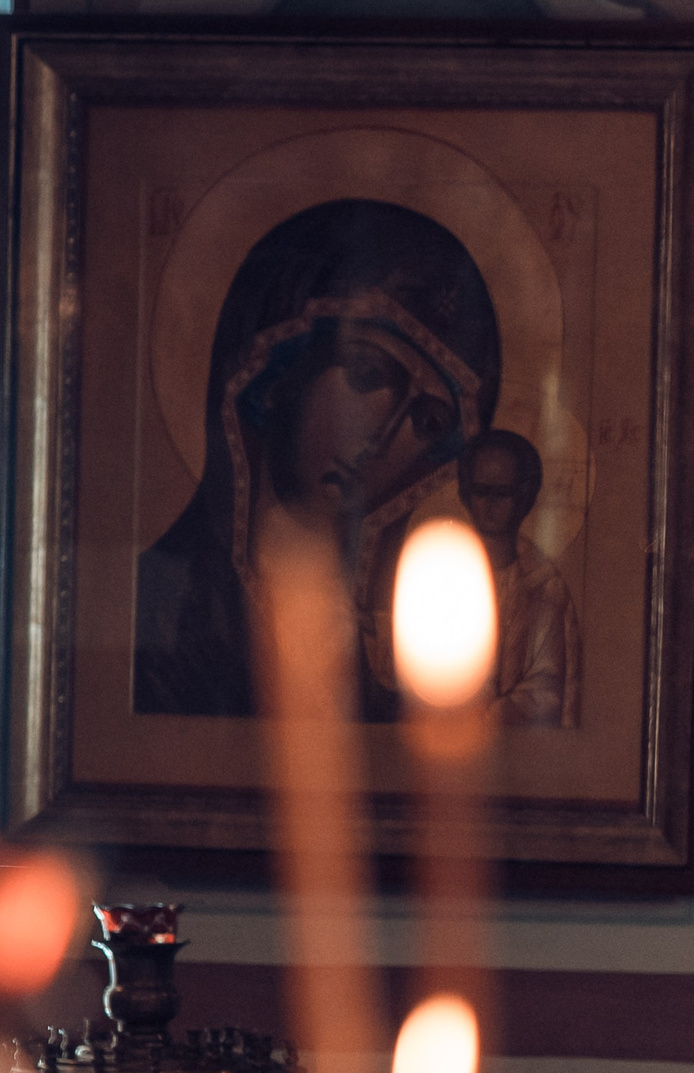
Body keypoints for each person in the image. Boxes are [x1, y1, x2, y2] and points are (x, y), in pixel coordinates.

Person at [135, 198, 500, 721]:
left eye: (427, 422)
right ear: (275, 371)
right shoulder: (155, 606)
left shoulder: (408, 652)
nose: (382, 438)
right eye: (366, 373)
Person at [457, 430, 582, 726]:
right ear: (465, 494)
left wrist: (487, 717)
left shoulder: (544, 589)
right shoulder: (443, 576)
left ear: (525, 497)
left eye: (501, 493)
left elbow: (547, 691)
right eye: (480, 490)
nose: (489, 503)